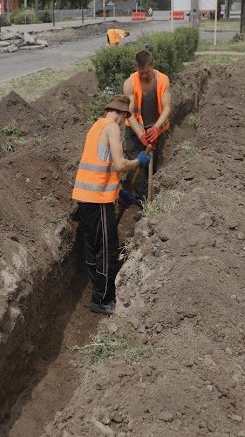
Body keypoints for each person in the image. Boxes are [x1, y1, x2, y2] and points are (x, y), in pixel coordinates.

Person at [72, 94, 151, 316]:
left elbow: (102, 165)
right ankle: (102, 299)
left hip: (86, 197)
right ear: (124, 115)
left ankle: (98, 291)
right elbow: (119, 164)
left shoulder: (96, 125)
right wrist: (139, 161)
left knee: (94, 247)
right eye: (126, 119)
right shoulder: (113, 128)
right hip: (98, 200)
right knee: (106, 250)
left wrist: (120, 191)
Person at [122, 48, 172, 197]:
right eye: (141, 72)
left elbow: (167, 107)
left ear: (153, 65)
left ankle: (154, 195)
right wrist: (141, 135)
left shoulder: (163, 80)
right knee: (137, 164)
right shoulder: (129, 83)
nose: (144, 75)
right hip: (134, 130)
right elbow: (128, 113)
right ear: (136, 67)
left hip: (156, 129)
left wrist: (156, 129)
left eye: (147, 72)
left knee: (154, 163)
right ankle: (141, 200)